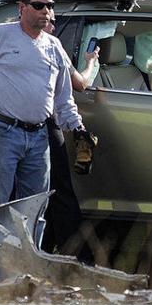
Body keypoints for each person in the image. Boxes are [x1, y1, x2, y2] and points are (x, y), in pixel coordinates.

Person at [0, 0, 87, 272]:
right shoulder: (3, 35)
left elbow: (64, 98)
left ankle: (22, 272)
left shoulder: (53, 46)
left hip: (39, 137)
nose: (46, 12)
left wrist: (78, 127)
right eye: (39, 5)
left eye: (50, 5)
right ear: (22, 8)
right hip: (6, 132)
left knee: (34, 208)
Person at [40, 26, 100, 257]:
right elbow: (81, 83)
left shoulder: (54, 46)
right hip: (31, 126)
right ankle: (75, 258)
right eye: (43, 10)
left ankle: (51, 251)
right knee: (55, 192)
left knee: (53, 191)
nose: (51, 22)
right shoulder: (11, 40)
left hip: (48, 124)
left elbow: (69, 92)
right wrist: (91, 62)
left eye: (53, 16)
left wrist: (77, 127)